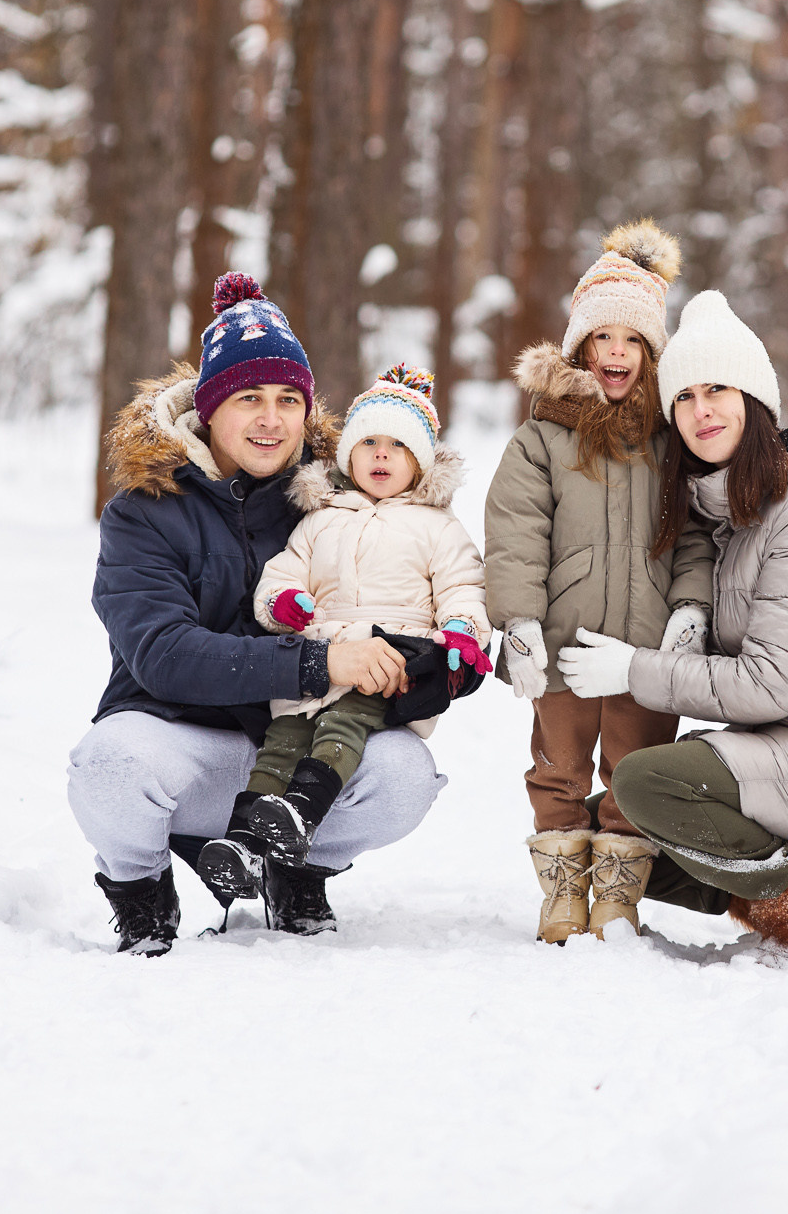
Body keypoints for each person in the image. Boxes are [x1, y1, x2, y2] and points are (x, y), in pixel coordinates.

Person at [67, 273, 444, 954]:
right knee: (109, 764)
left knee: (405, 773)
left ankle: (295, 865)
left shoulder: (334, 504)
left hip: (297, 752)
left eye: (287, 399)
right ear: (210, 409)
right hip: (184, 750)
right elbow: (163, 653)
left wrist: (426, 660)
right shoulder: (143, 513)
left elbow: (407, 603)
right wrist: (319, 660)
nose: (271, 418)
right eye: (249, 398)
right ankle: (140, 887)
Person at [556, 290, 788, 948]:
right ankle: (785, 869)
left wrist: (635, 670)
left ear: (755, 400)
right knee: (605, 826)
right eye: (684, 397)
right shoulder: (731, 517)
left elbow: (770, 685)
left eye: (718, 388)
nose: (701, 410)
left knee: (645, 785)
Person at [484, 220, 718, 944]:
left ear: (651, 353)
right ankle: (562, 890)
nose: (616, 352)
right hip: (558, 645)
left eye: (632, 339)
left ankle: (617, 891)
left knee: (633, 768)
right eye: (602, 337)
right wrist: (517, 621)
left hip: (646, 651)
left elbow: (695, 534)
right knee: (557, 766)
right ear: (581, 347)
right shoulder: (543, 438)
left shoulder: (670, 439)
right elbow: (516, 532)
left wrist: (689, 607)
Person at [195, 364, 491, 896]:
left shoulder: (437, 526)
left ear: (419, 462)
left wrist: (462, 633)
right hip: (316, 659)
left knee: (344, 728)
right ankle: (243, 840)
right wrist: (282, 603)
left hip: (389, 663)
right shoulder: (319, 518)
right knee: (281, 743)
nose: (381, 455)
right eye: (369, 442)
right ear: (348, 454)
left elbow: (463, 587)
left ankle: (302, 815)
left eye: (398, 446)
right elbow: (280, 575)